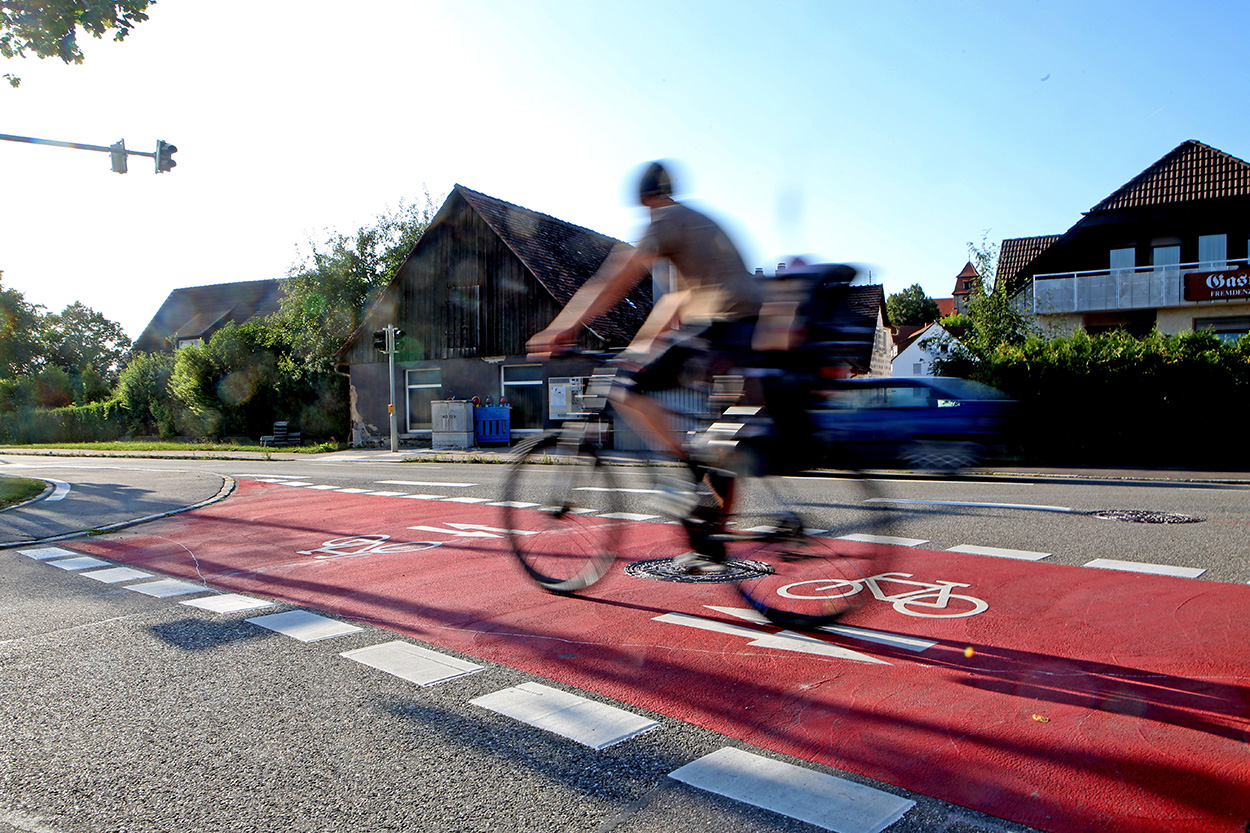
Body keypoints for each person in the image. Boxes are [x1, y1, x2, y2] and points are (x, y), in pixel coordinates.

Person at [527, 161, 764, 572]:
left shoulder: (667, 219)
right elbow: (672, 306)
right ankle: (712, 544)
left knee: (627, 390)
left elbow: (616, 277)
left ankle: (687, 469)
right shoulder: (695, 228)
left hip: (723, 327)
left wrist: (564, 328)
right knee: (719, 444)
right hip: (749, 330)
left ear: (647, 198)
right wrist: (637, 352)